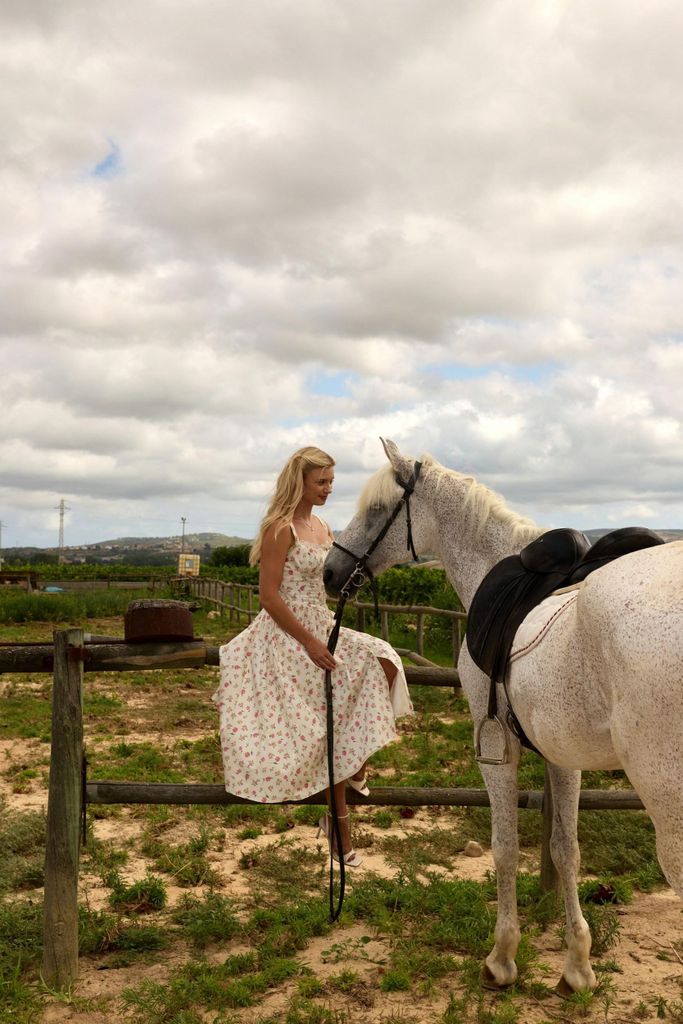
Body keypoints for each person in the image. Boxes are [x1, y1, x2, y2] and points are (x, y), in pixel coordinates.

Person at [212, 446, 413, 866]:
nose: (327, 489)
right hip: (286, 633)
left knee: (386, 661)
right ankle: (339, 826)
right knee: (328, 726)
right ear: (299, 482)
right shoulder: (279, 527)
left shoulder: (323, 525)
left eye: (331, 482)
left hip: (321, 623)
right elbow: (269, 596)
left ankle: (355, 770)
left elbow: (329, 581)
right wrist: (308, 641)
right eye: (320, 481)